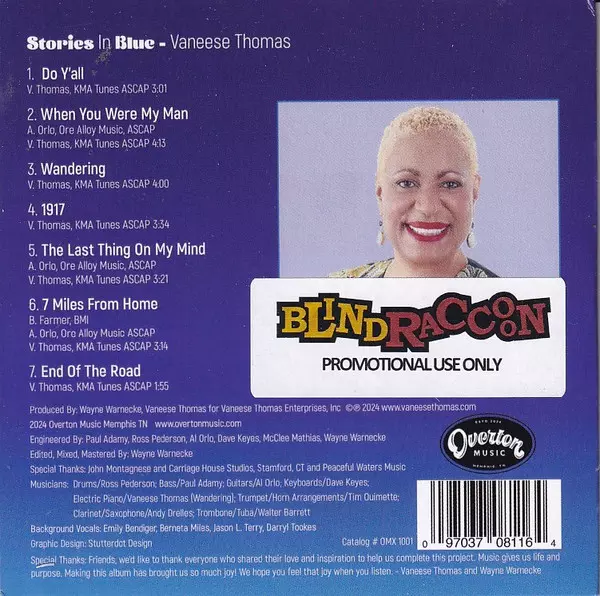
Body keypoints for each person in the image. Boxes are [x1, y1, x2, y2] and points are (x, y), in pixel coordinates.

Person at [330, 106, 497, 278]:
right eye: (407, 183)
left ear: (474, 192)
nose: (428, 207)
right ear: (380, 193)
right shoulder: (335, 290)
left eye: (449, 184)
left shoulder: (508, 295)